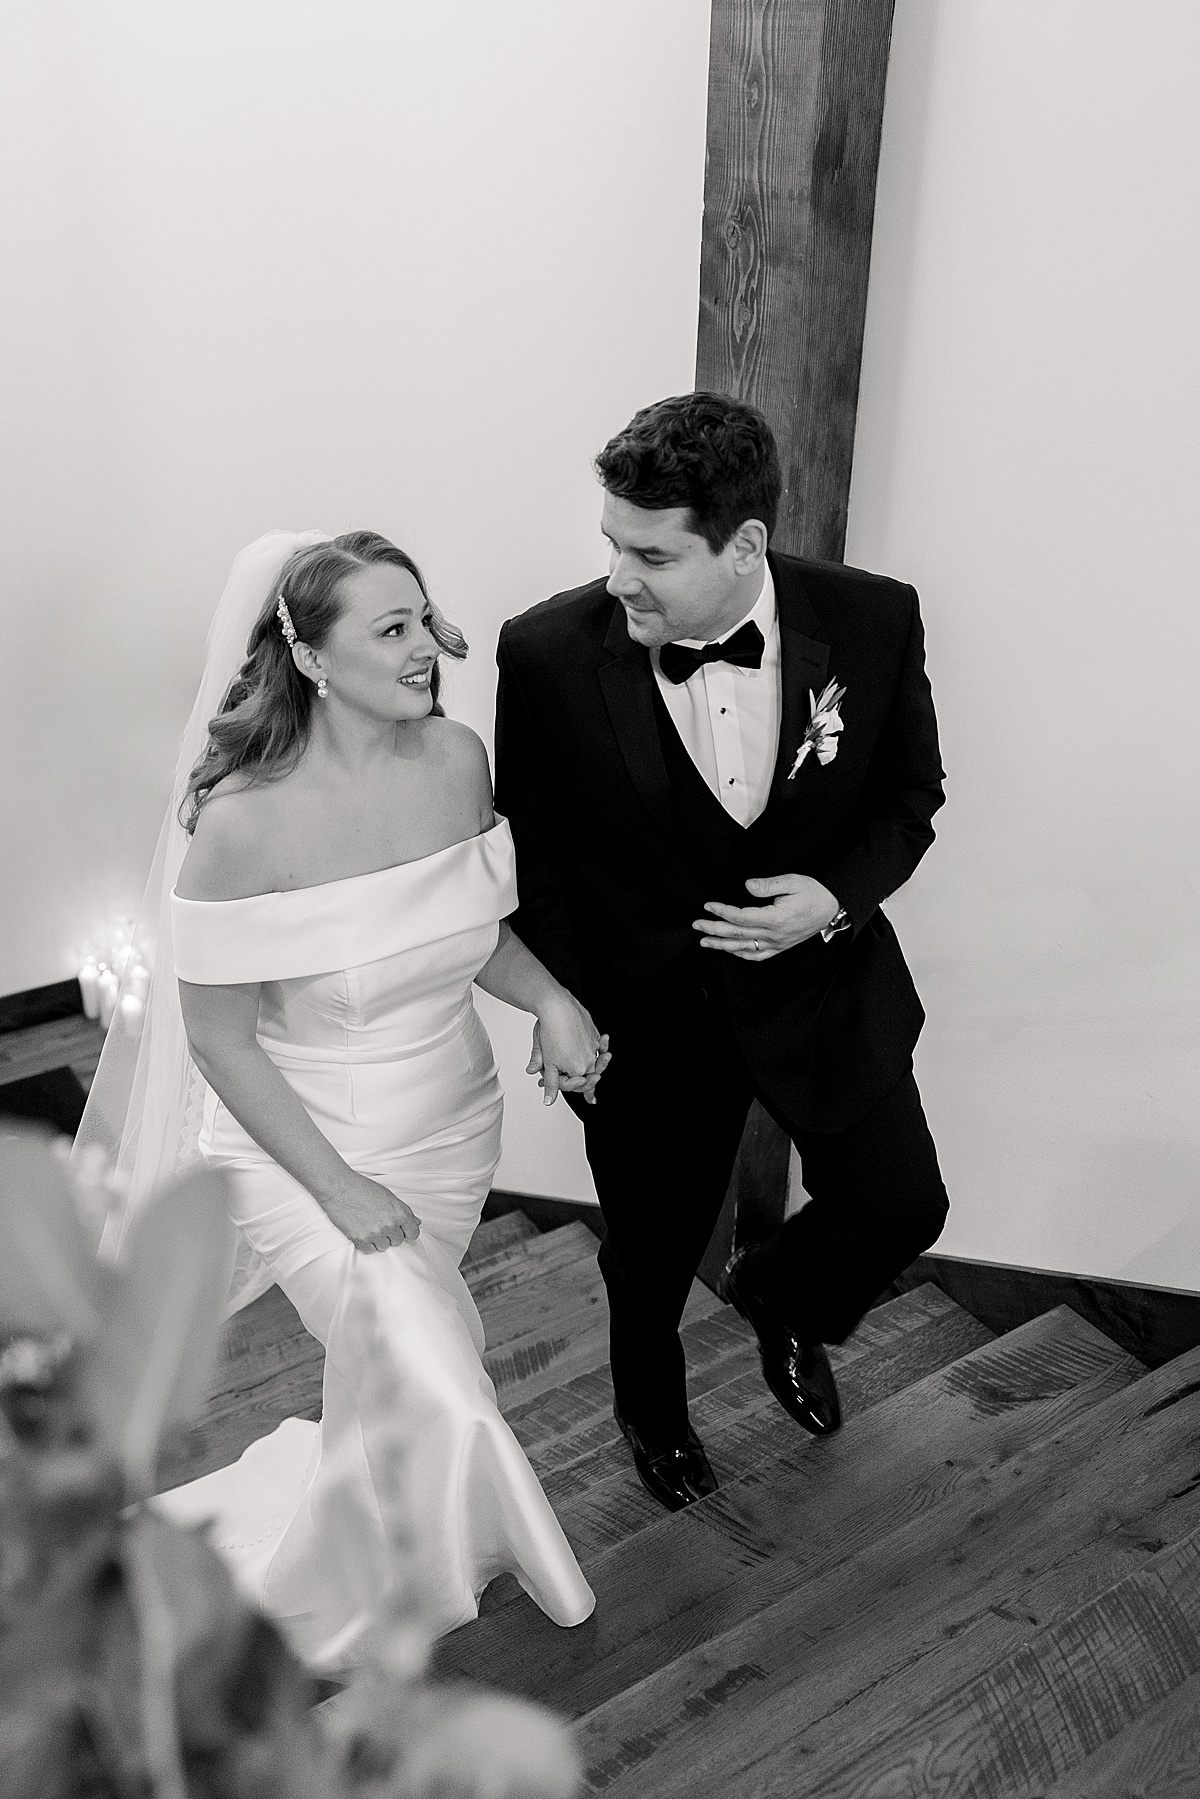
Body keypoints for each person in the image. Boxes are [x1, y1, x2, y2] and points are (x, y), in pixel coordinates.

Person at [75, 529, 600, 1666]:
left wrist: (552, 999)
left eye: (424, 619)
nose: (425, 646)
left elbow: (472, 937)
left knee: (392, 1371)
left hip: (451, 1125)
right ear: (310, 656)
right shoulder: (241, 821)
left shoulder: (459, 759)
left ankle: (376, 1541)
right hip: (301, 1148)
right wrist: (339, 1184)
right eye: (391, 627)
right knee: (428, 1365)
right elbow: (220, 1042)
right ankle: (373, 1594)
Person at [493, 392, 950, 1513]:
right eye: (611, 544)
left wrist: (833, 899)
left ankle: (783, 1298)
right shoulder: (546, 652)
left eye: (650, 553)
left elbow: (908, 798)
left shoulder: (875, 620)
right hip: (649, 1016)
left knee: (901, 1203)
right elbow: (537, 861)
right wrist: (566, 1006)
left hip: (823, 988)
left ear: (745, 545)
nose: (617, 578)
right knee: (645, 1260)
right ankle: (652, 1406)